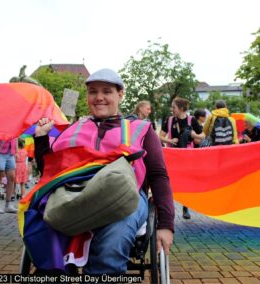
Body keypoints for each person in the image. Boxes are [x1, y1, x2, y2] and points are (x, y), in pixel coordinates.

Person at [34, 68, 174, 274]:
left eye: (107, 91)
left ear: (120, 94)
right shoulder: (72, 130)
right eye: (93, 92)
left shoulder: (141, 129)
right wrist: (41, 139)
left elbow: (159, 177)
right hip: (77, 194)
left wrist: (166, 225)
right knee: (43, 222)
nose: (99, 97)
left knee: (114, 239)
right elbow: (50, 172)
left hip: (127, 197)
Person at [159, 97, 205, 219]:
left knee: (186, 182)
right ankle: (168, 208)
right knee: (169, 182)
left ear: (181, 108)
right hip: (172, 156)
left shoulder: (192, 120)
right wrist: (169, 140)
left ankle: (186, 208)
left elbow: (203, 135)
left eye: (173, 107)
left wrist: (195, 134)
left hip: (187, 156)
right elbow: (160, 136)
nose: (172, 109)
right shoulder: (168, 120)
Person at [0, 137, 18, 214]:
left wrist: (16, 151)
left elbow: (16, 136)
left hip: (10, 152)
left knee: (12, 177)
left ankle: (8, 205)